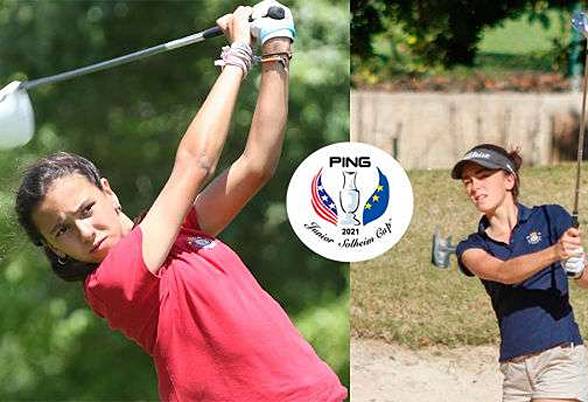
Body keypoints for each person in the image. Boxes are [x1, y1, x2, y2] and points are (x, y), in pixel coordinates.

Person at [14, 3, 347, 401]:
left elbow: (256, 165)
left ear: (108, 192)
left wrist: (275, 49)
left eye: (86, 209)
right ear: (53, 248)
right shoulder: (113, 283)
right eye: (62, 230)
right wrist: (238, 55)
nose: (85, 231)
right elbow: (195, 163)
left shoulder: (179, 234)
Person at [451, 143, 588, 402]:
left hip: (560, 356)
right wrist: (554, 252)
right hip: (514, 371)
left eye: (483, 177)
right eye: (467, 181)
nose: (474, 187)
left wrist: (578, 268)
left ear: (509, 179)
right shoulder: (470, 247)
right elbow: (504, 273)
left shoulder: (551, 216)